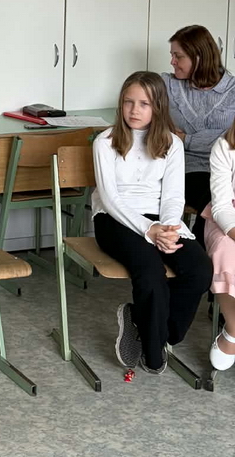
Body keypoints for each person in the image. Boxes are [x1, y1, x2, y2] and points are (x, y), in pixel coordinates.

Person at [93, 71, 211, 374]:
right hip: (114, 220)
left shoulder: (172, 143)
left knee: (199, 270)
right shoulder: (105, 142)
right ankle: (153, 348)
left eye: (144, 104)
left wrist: (169, 228)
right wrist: (149, 230)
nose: (134, 110)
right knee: (149, 269)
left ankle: (151, 329)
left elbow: (173, 195)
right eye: (128, 102)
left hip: (161, 220)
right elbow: (110, 199)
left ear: (158, 106)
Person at [163, 25, 235, 245]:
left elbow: (229, 140)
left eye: (178, 56)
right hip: (185, 168)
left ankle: (203, 255)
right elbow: (155, 128)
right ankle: (203, 255)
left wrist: (186, 139)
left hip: (228, 169)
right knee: (214, 201)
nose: (172, 62)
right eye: (172, 55)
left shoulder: (232, 90)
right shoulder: (167, 85)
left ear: (199, 57)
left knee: (222, 199)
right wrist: (216, 137)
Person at [202, 126, 235, 371]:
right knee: (225, 250)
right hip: (227, 219)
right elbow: (221, 206)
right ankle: (233, 329)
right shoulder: (224, 146)